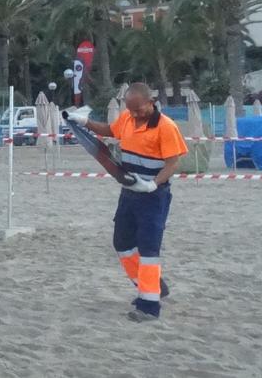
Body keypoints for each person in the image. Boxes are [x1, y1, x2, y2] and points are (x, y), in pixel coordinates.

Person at [68, 82, 187, 323]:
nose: (134, 114)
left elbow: (172, 163)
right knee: (122, 243)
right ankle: (152, 286)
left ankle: (149, 305)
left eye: (138, 109)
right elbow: (110, 130)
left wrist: (153, 184)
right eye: (130, 110)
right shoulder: (128, 119)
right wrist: (84, 122)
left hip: (154, 196)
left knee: (148, 248)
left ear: (150, 102)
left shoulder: (167, 127)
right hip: (129, 192)